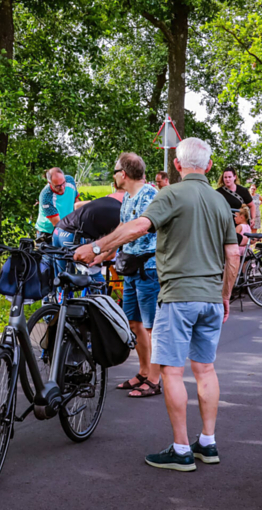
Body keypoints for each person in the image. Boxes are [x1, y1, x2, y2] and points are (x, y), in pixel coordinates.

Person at [75, 137, 239, 472]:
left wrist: (95, 248)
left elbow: (137, 227)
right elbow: (232, 255)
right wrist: (224, 295)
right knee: (205, 370)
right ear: (209, 166)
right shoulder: (221, 201)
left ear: (177, 166)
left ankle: (180, 449)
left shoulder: (171, 194)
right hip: (210, 297)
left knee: (173, 372)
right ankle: (207, 443)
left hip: (178, 296)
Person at [107, 152, 161, 398]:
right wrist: (101, 251)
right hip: (130, 268)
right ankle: (143, 371)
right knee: (134, 323)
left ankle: (154, 379)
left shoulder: (150, 195)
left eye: (116, 170)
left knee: (151, 327)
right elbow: (121, 228)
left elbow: (138, 229)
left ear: (124, 174)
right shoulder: (128, 198)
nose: (114, 175)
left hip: (148, 269)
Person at [53, 187, 124, 286]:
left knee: (61, 277)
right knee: (94, 276)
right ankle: (100, 298)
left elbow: (77, 205)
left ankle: (57, 299)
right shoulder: (122, 214)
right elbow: (110, 255)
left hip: (58, 230)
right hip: (74, 235)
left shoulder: (105, 200)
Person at [35, 168, 79, 244]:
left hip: (67, 226)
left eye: (63, 183)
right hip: (48, 232)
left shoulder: (70, 181)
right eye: (58, 186)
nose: (62, 188)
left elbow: (77, 203)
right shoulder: (46, 197)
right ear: (50, 183)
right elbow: (58, 224)